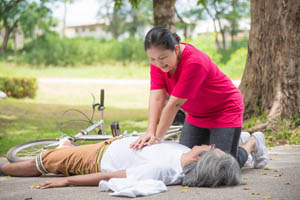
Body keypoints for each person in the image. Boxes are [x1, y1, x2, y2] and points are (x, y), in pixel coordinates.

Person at [130, 26, 245, 166]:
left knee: (221, 165)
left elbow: (174, 105)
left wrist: (157, 138)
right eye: (152, 59)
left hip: (224, 110)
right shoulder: (158, 63)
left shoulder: (194, 62)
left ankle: (251, 144)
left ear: (176, 49)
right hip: (196, 115)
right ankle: (230, 142)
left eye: (162, 58)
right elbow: (157, 97)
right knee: (186, 162)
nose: (158, 63)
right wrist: (150, 131)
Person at [0, 132, 268, 189]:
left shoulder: (161, 170)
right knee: (236, 158)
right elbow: (227, 164)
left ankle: (4, 166)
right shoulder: (185, 155)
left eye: (213, 149)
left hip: (95, 158)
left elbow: (109, 177)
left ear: (203, 157)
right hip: (110, 145)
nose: (212, 145)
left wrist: (67, 181)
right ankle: (252, 140)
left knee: (44, 162)